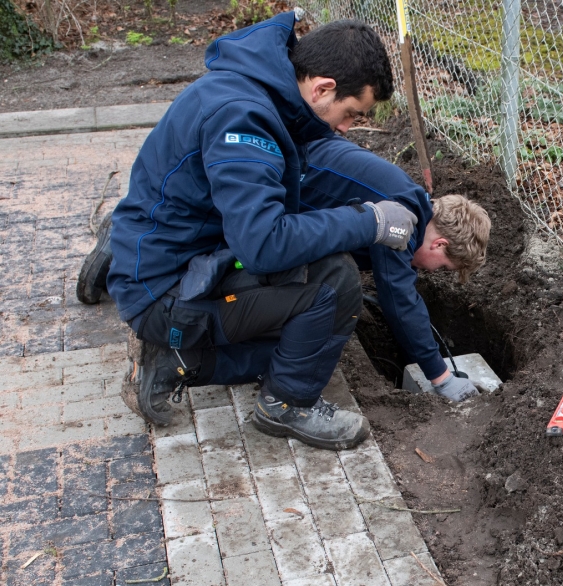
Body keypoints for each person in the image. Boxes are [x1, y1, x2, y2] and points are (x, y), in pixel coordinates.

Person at [93, 13, 419, 451]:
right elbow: (263, 244)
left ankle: (177, 358)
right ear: (322, 88)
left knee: (310, 324)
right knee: (335, 286)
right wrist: (369, 220)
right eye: (351, 114)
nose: (346, 129)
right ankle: (284, 404)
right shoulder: (244, 120)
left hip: (172, 258)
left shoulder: (257, 92)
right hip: (164, 295)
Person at [300, 136, 491, 400]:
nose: (435, 272)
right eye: (445, 267)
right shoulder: (401, 223)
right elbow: (399, 300)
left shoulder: (411, 201)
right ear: (439, 244)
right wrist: (442, 378)